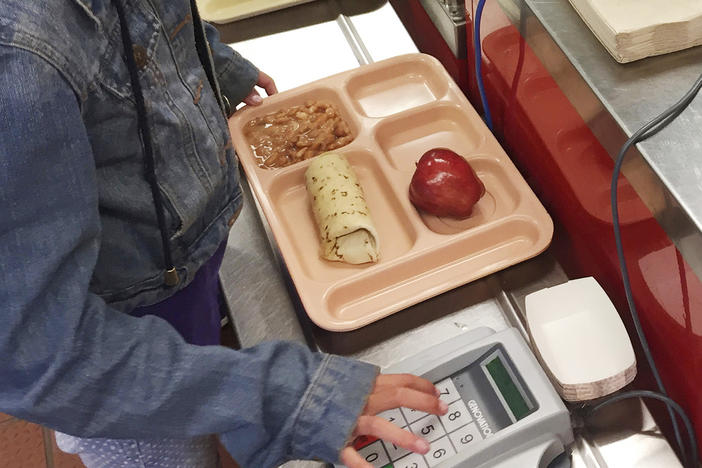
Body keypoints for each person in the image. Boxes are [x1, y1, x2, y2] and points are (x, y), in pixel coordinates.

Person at [0, 1, 448, 467]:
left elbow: (139, 26)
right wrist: (288, 397)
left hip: (176, 271)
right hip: (118, 363)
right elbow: (37, 357)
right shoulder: (16, 54)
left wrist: (211, 63)